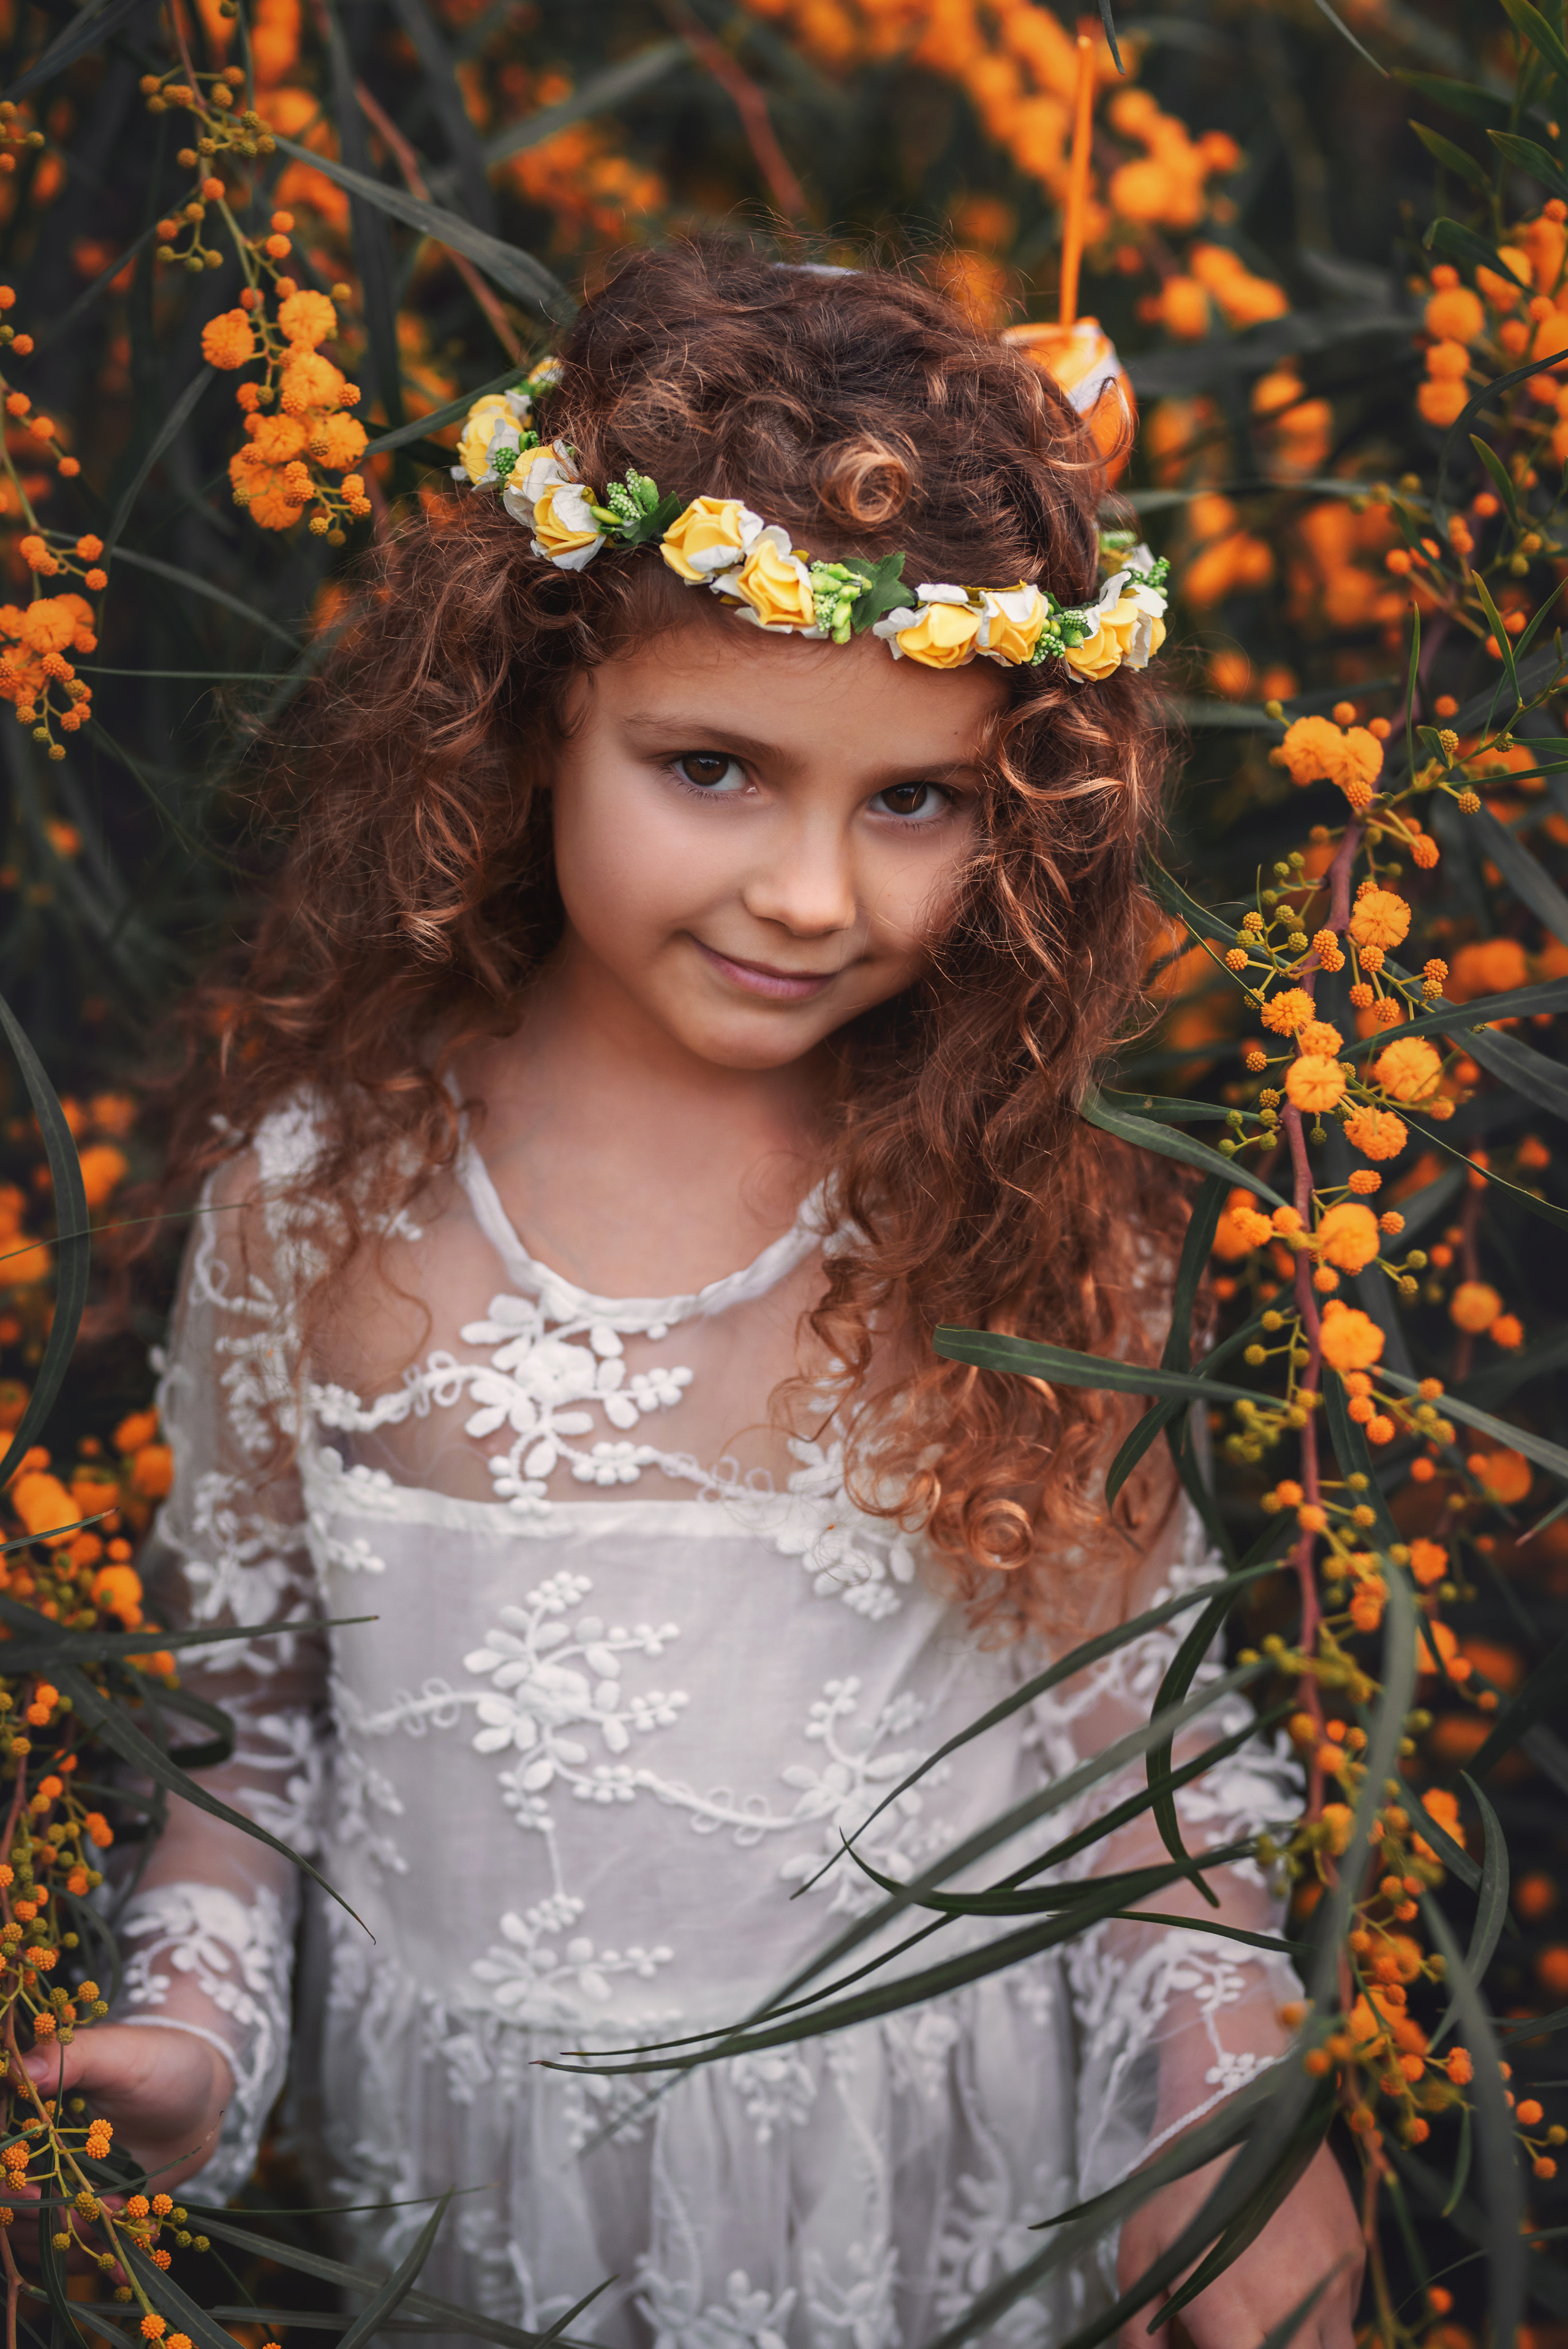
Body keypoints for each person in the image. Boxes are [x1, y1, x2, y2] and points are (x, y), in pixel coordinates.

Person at [36, 246, 1362, 2348]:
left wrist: (1225, 2112)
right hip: (477, 2227)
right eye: (717, 767)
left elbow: (1137, 1772)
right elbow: (254, 1727)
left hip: (924, 2214)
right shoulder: (325, 1202)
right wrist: (188, 2036)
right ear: (539, 703)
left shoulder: (1020, 1223)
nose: (813, 892)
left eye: (913, 799)